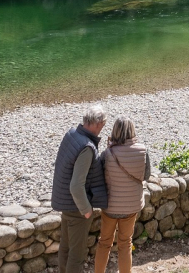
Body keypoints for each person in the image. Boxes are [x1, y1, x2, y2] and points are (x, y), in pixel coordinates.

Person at [51, 104, 109, 273]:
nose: (102, 130)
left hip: (64, 202)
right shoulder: (87, 147)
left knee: (65, 248)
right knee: (76, 255)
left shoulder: (71, 134)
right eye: (103, 126)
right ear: (97, 124)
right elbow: (76, 185)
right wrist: (87, 210)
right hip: (77, 208)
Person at [94, 117, 150, 273]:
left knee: (104, 242)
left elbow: (99, 176)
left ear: (115, 131)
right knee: (125, 243)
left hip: (111, 206)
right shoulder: (143, 150)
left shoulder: (108, 153)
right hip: (131, 205)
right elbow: (146, 176)